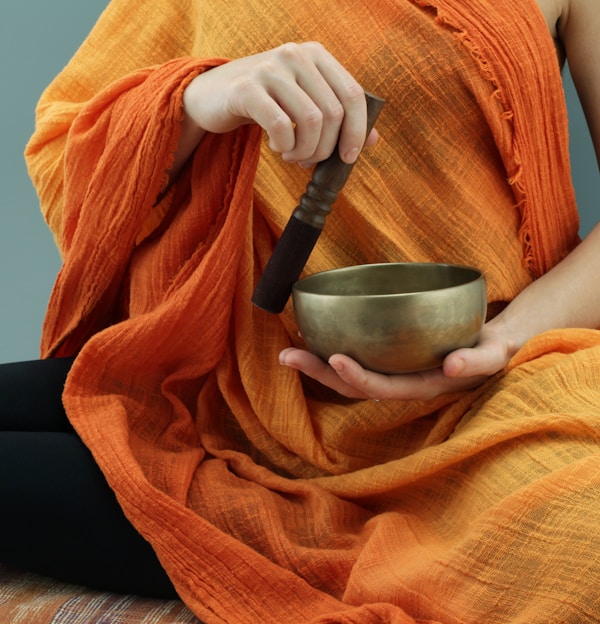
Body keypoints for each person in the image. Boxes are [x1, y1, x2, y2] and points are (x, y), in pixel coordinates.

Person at [2, 0, 599, 621]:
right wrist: (195, 103)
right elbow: (64, 162)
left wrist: (502, 342)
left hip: (489, 399)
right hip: (226, 392)